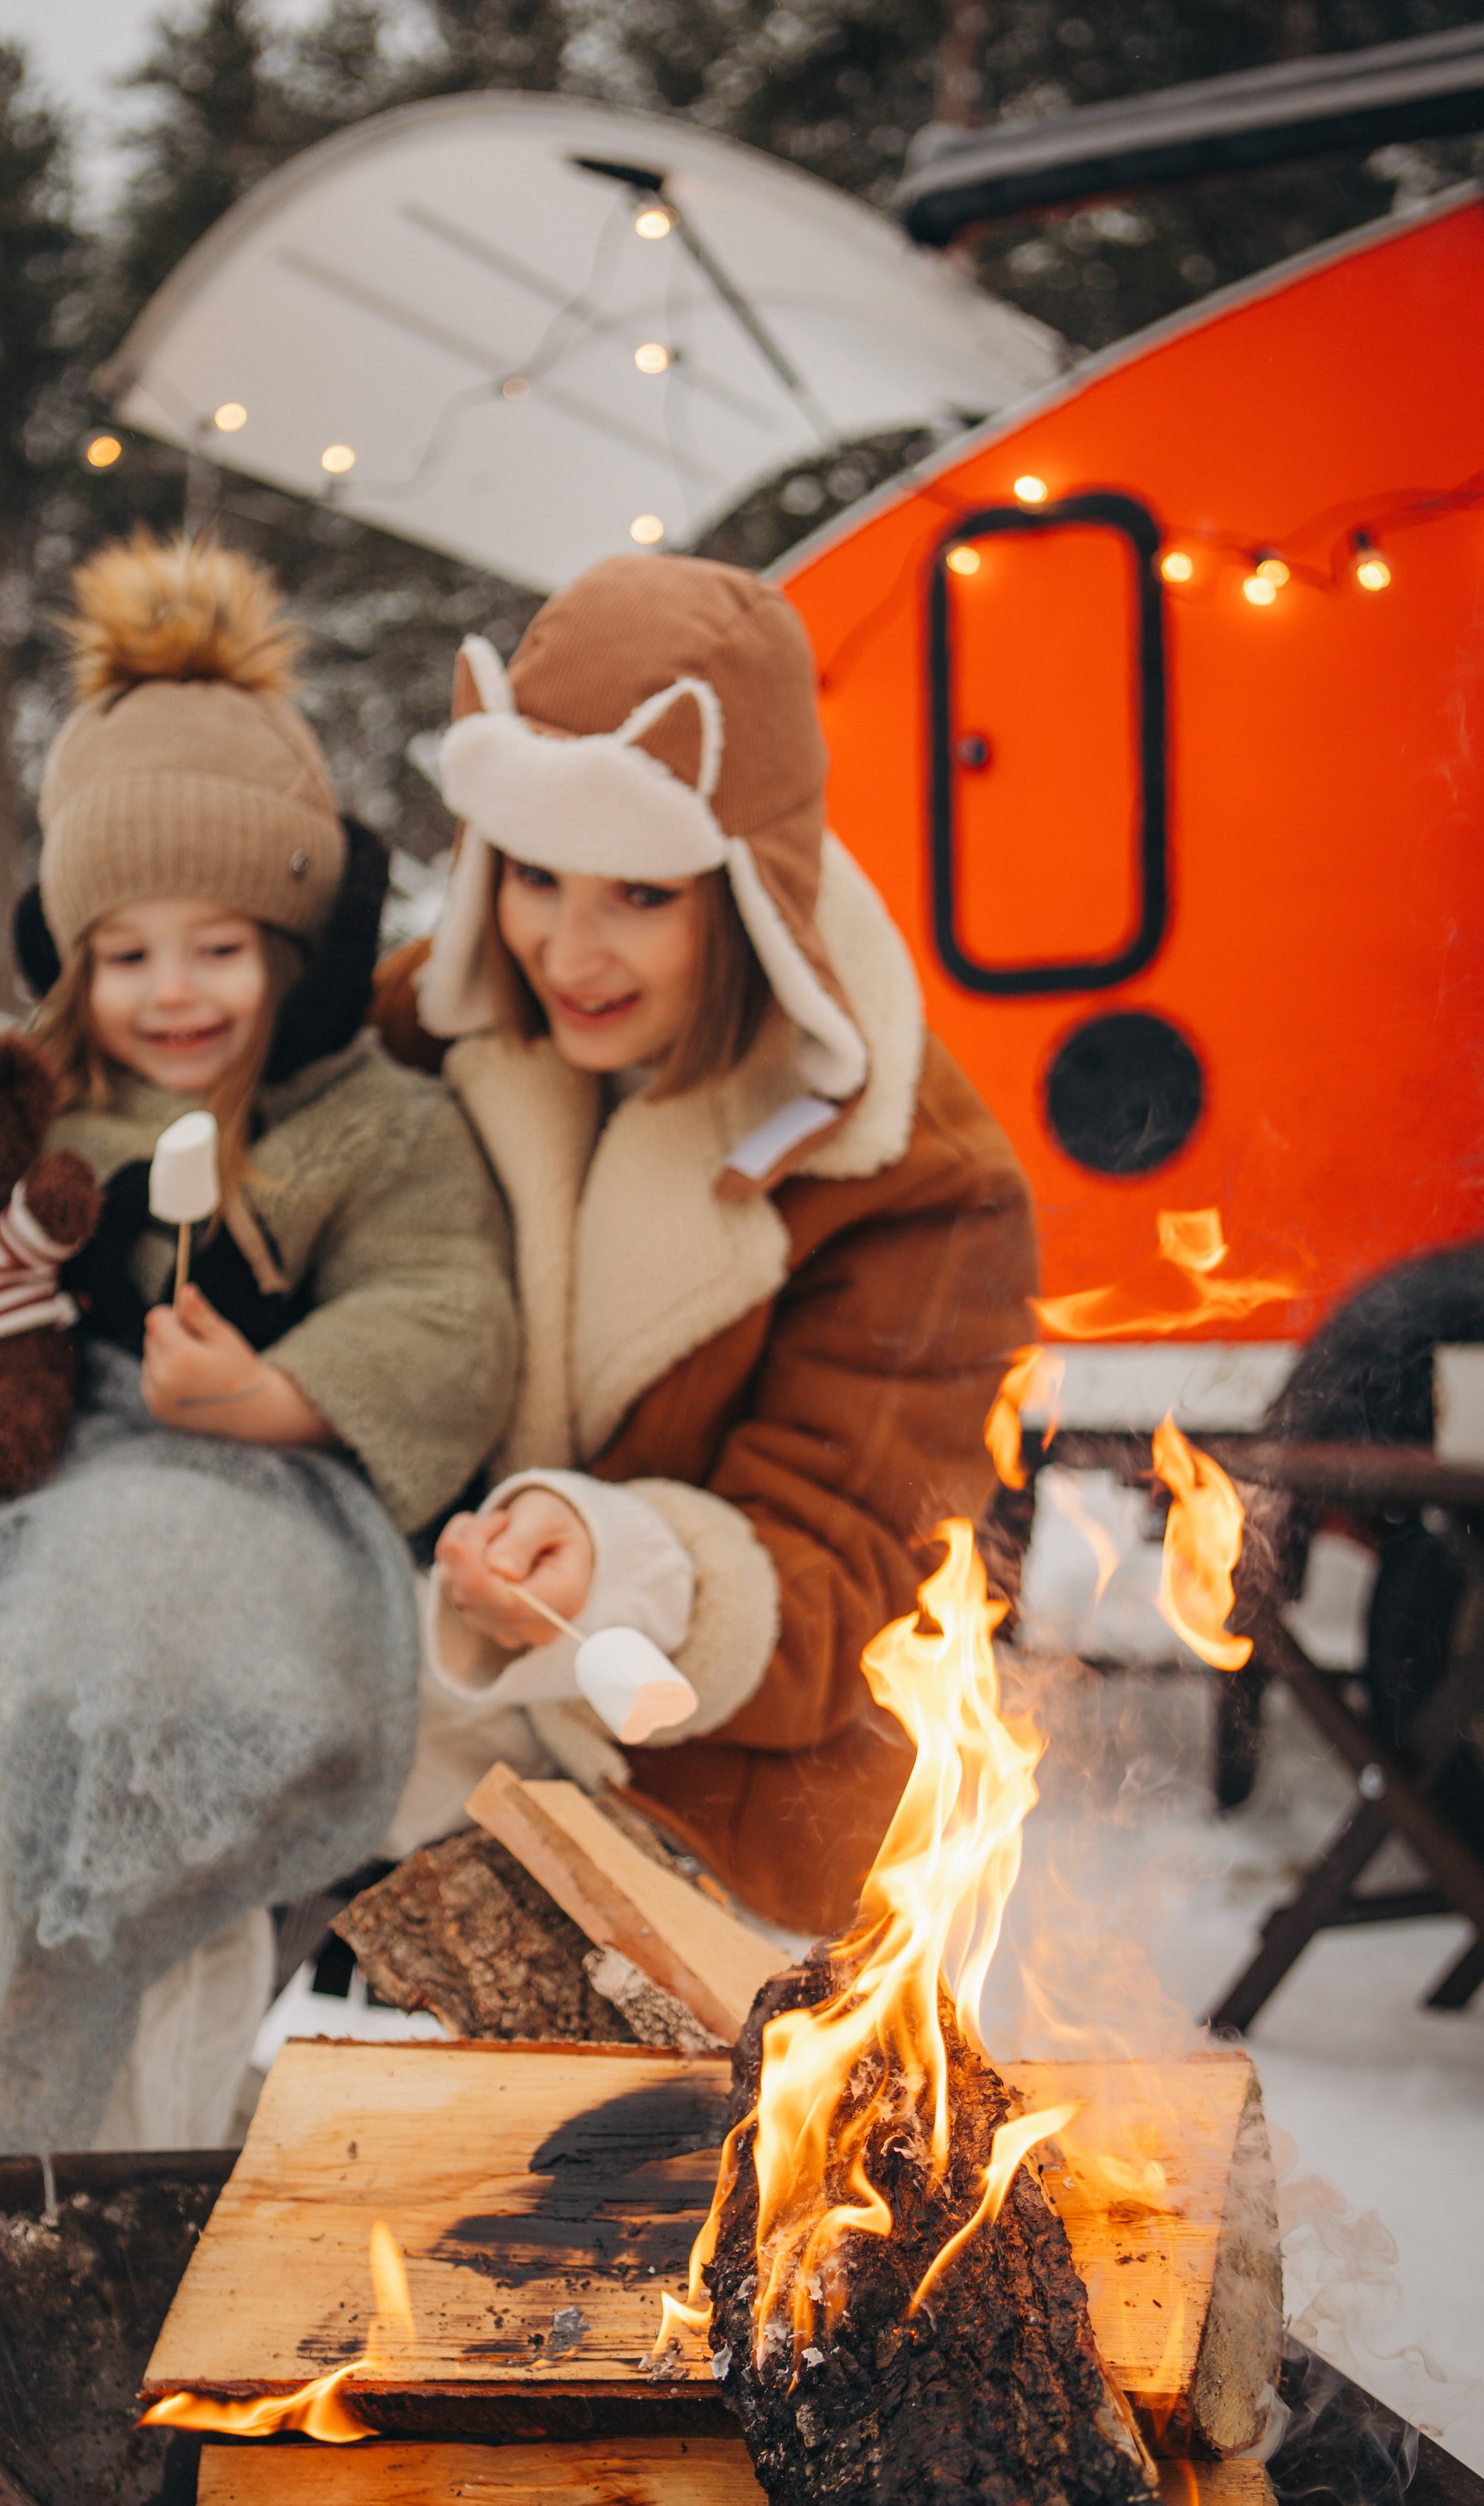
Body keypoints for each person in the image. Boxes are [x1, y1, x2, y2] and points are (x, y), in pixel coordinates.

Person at [0, 533, 516, 2231]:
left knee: (75, 1631)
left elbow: (448, 1314)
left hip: (258, 1515)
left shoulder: (366, 1126)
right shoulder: (15, 1112)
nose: (173, 993)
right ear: (71, 960)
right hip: (15, 1493)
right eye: (128, 955)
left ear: (294, 941)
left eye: (220, 947)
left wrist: (278, 1391)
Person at [375, 553, 1037, 1933]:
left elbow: (851, 1580)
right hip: (411, 1746)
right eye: (535, 877)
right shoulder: (420, 1035)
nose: (569, 950)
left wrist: (614, 1563)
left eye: (641, 896)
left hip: (724, 1819)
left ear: (745, 889)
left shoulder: (916, 1177)